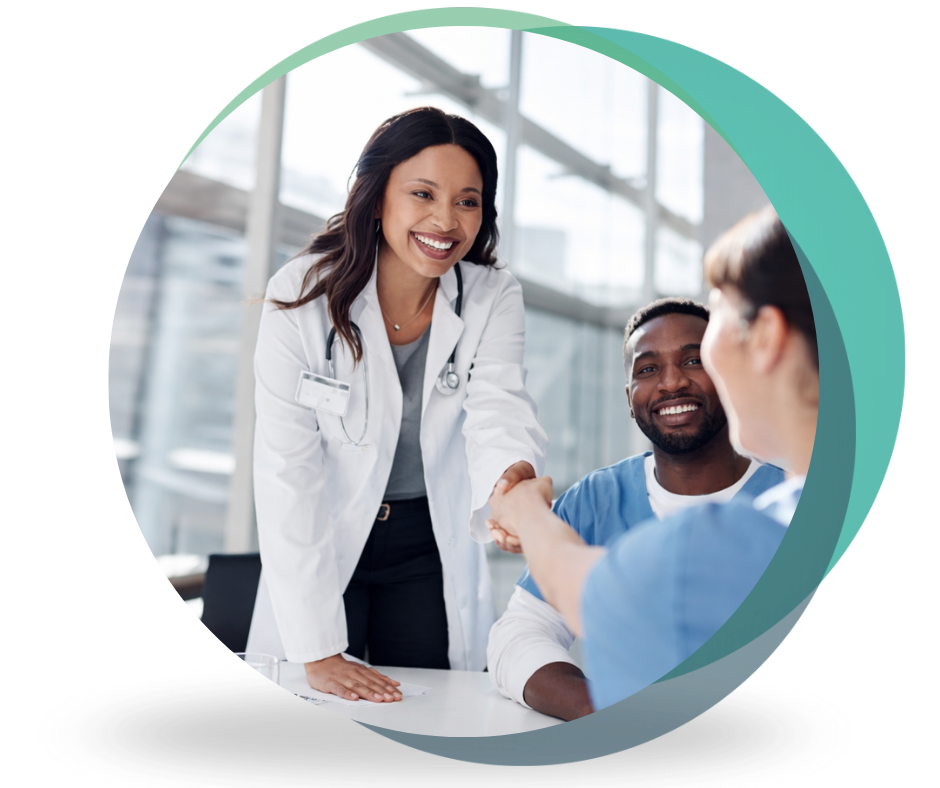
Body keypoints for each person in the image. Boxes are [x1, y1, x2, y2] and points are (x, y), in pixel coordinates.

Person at [245, 107, 549, 703]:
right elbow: (287, 473)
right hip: (323, 536)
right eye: (423, 193)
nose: (446, 219)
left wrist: (511, 485)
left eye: (468, 200)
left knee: (432, 709)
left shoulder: (491, 296)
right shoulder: (301, 296)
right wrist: (318, 649)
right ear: (377, 196)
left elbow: (499, 409)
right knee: (315, 713)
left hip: (425, 544)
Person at [487, 206, 816, 712]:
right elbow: (522, 632)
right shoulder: (598, 496)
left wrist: (527, 514)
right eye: (648, 368)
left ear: (767, 336)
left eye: (699, 351)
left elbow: (599, 594)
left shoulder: (741, 535)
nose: (673, 382)